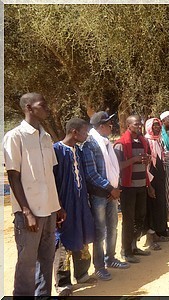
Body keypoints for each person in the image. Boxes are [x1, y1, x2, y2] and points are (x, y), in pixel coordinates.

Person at [3, 92, 66, 296]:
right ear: (29, 108)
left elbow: (49, 176)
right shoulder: (15, 137)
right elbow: (13, 176)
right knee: (27, 264)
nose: (47, 108)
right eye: (43, 104)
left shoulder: (46, 137)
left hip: (48, 210)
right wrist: (26, 211)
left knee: (46, 260)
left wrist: (57, 206)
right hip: (28, 213)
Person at [82, 111, 128, 281]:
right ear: (101, 126)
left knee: (113, 228)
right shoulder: (90, 144)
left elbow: (113, 169)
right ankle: (99, 266)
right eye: (109, 124)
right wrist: (110, 188)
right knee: (100, 231)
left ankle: (111, 258)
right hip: (100, 195)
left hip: (111, 193)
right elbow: (91, 173)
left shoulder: (107, 143)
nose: (111, 126)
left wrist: (115, 188)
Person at [53, 118, 96, 296]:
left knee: (82, 235)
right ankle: (63, 282)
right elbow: (52, 181)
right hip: (64, 203)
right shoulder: (56, 150)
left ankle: (82, 273)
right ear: (74, 132)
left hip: (80, 202)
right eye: (85, 131)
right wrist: (57, 206)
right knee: (64, 240)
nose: (86, 135)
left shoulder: (78, 150)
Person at [114, 115, 152, 263]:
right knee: (129, 220)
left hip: (141, 184)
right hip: (128, 187)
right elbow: (117, 166)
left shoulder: (142, 141)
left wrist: (146, 159)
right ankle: (126, 250)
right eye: (136, 124)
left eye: (140, 124)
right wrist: (134, 160)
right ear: (128, 125)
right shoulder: (121, 144)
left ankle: (134, 246)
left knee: (140, 216)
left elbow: (144, 162)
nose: (139, 126)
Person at [144, 117, 169, 249]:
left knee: (160, 205)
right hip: (151, 180)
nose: (157, 127)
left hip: (160, 179)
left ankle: (158, 233)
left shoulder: (158, 141)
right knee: (151, 207)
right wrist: (149, 184)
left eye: (158, 125)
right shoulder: (147, 141)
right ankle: (150, 238)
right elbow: (147, 165)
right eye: (154, 125)